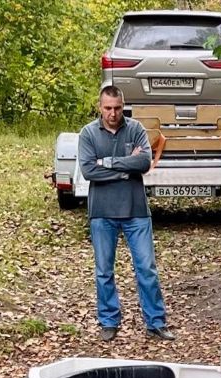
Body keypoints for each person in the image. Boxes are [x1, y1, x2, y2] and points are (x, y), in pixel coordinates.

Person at [78, 86, 175, 342]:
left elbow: (144, 162)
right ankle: (109, 321)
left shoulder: (135, 129)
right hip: (102, 211)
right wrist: (125, 168)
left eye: (117, 108)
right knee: (104, 270)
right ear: (100, 107)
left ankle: (156, 322)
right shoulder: (88, 134)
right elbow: (88, 170)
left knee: (146, 268)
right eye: (108, 108)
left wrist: (108, 162)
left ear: (123, 105)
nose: (113, 113)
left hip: (136, 211)